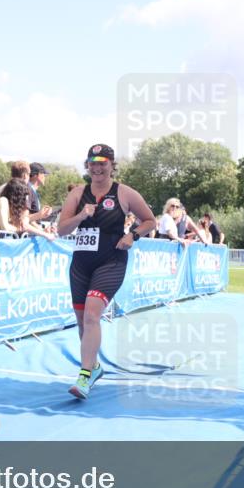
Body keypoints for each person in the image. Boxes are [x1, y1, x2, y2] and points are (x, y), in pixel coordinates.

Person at [57, 143, 156, 400]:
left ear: (112, 165)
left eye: (103, 163)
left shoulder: (124, 193)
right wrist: (80, 216)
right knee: (82, 322)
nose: (97, 168)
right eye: (93, 163)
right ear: (87, 165)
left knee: (92, 315)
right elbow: (61, 229)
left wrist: (132, 236)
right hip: (81, 264)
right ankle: (95, 367)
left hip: (111, 261)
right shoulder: (78, 193)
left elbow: (150, 221)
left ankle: (84, 377)